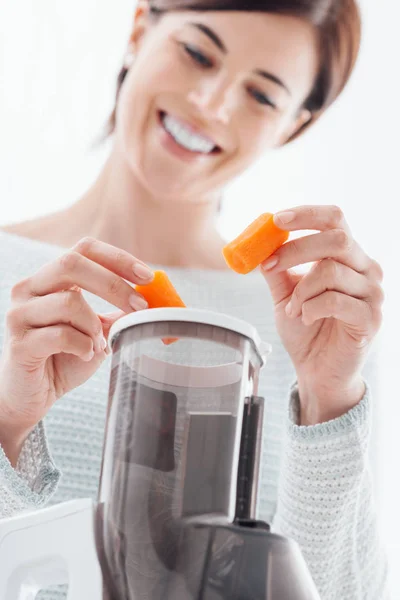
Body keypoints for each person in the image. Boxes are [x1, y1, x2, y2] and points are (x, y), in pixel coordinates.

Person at [0, 0, 390, 598]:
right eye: (199, 53)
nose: (213, 104)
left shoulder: (313, 322)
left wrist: (328, 399)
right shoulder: (12, 280)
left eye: (261, 96)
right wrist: (8, 425)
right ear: (139, 29)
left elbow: (341, 592)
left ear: (292, 126)